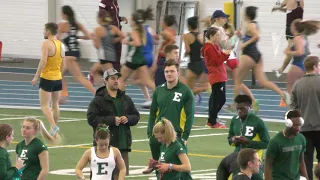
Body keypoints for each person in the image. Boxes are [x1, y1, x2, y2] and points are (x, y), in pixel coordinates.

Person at [144, 59, 194, 180]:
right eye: (167, 71)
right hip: (158, 136)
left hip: (176, 136)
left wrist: (185, 137)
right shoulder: (158, 90)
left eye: (172, 71)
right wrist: (151, 134)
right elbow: (152, 113)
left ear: (178, 73)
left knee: (182, 170)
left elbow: (190, 115)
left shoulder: (186, 92)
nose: (169, 74)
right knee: (159, 167)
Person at [233, 6, 290, 108]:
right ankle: (282, 93)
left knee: (237, 81)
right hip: (257, 56)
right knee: (263, 82)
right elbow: (252, 37)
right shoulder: (254, 24)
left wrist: (244, 45)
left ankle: (234, 106)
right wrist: (240, 36)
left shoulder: (250, 25)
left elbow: (256, 36)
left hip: (248, 55)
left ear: (246, 15)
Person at [87, 68, 140, 178]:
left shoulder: (125, 99)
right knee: (101, 176)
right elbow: (91, 119)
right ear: (105, 81)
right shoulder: (98, 100)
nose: (116, 81)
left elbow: (136, 116)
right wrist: (111, 120)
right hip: (104, 146)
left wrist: (128, 118)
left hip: (123, 145)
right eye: (112, 78)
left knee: (120, 175)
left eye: (117, 78)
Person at [31, 22, 64, 137]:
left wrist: (36, 76)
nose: (43, 33)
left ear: (48, 32)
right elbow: (62, 61)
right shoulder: (61, 44)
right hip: (58, 78)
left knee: (44, 105)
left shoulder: (46, 43)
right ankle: (53, 129)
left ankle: (53, 125)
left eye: (44, 31)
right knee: (55, 105)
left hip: (47, 78)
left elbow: (43, 61)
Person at [58, 5, 96, 103]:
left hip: (68, 55)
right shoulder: (77, 24)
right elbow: (88, 36)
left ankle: (97, 95)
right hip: (75, 53)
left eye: (62, 13)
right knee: (58, 75)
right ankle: (62, 97)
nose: (61, 15)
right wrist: (77, 37)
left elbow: (56, 39)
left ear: (65, 14)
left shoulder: (62, 25)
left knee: (80, 78)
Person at [291, 56, 320, 180]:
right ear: (314, 67)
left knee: (305, 161)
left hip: (303, 129)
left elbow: (293, 109)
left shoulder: (297, 84)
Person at [228, 95, 270, 179]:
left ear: (249, 107)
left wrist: (248, 142)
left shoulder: (258, 122)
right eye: (238, 109)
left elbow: (266, 143)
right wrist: (233, 140)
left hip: (254, 159)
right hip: (237, 158)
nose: (239, 111)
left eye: (243, 108)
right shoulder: (234, 120)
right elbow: (229, 139)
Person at [118, 9, 155, 92]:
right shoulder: (141, 30)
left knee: (121, 80)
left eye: (131, 20)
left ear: (134, 22)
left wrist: (127, 42)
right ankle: (164, 96)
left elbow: (137, 43)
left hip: (132, 60)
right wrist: (129, 34)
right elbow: (139, 39)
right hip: (140, 59)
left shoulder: (135, 31)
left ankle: (120, 101)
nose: (129, 21)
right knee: (147, 81)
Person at [264, 109, 308, 180]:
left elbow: (301, 162)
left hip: (296, 178)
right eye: (295, 125)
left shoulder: (301, 138)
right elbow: (267, 165)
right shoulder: (275, 142)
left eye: (299, 125)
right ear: (288, 123)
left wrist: (306, 178)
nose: (298, 128)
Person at [201, 27, 230, 128]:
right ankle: (212, 120)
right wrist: (226, 54)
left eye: (219, 35)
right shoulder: (209, 48)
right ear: (211, 36)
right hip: (216, 75)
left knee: (218, 98)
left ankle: (212, 118)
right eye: (217, 35)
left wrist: (225, 53)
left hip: (220, 74)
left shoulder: (215, 46)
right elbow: (216, 61)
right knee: (218, 99)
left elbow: (220, 58)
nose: (218, 37)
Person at [90, 9, 125, 86]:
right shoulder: (113, 28)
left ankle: (119, 90)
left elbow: (97, 46)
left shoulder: (98, 30)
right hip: (112, 55)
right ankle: (102, 91)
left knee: (112, 76)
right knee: (97, 72)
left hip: (104, 55)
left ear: (100, 18)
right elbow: (123, 36)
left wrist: (93, 38)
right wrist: (114, 40)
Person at [272, 0, 304, 77]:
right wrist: (278, 8)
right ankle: (282, 70)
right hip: (299, 28)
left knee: (291, 50)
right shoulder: (301, 2)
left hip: (292, 29)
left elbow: (285, 8)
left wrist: (277, 8)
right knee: (296, 49)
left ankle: (282, 70)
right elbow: (290, 10)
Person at [183, 16, 209, 97]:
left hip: (193, 64)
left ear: (189, 26)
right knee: (191, 90)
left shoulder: (186, 36)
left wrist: (184, 55)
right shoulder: (201, 35)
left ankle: (205, 88)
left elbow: (188, 50)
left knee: (188, 90)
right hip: (201, 64)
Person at [99, 0, 128, 72]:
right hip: (110, 33)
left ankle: (116, 76)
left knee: (117, 56)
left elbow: (115, 17)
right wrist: (109, 26)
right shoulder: (104, 2)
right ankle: (107, 76)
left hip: (117, 32)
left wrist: (121, 18)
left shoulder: (115, 2)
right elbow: (101, 16)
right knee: (109, 57)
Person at [152, 15, 177, 86]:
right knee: (155, 76)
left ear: (165, 23)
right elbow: (163, 39)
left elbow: (173, 40)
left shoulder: (166, 31)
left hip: (163, 58)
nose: (161, 23)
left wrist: (164, 49)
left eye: (162, 22)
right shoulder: (171, 31)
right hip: (164, 58)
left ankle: (159, 93)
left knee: (158, 79)